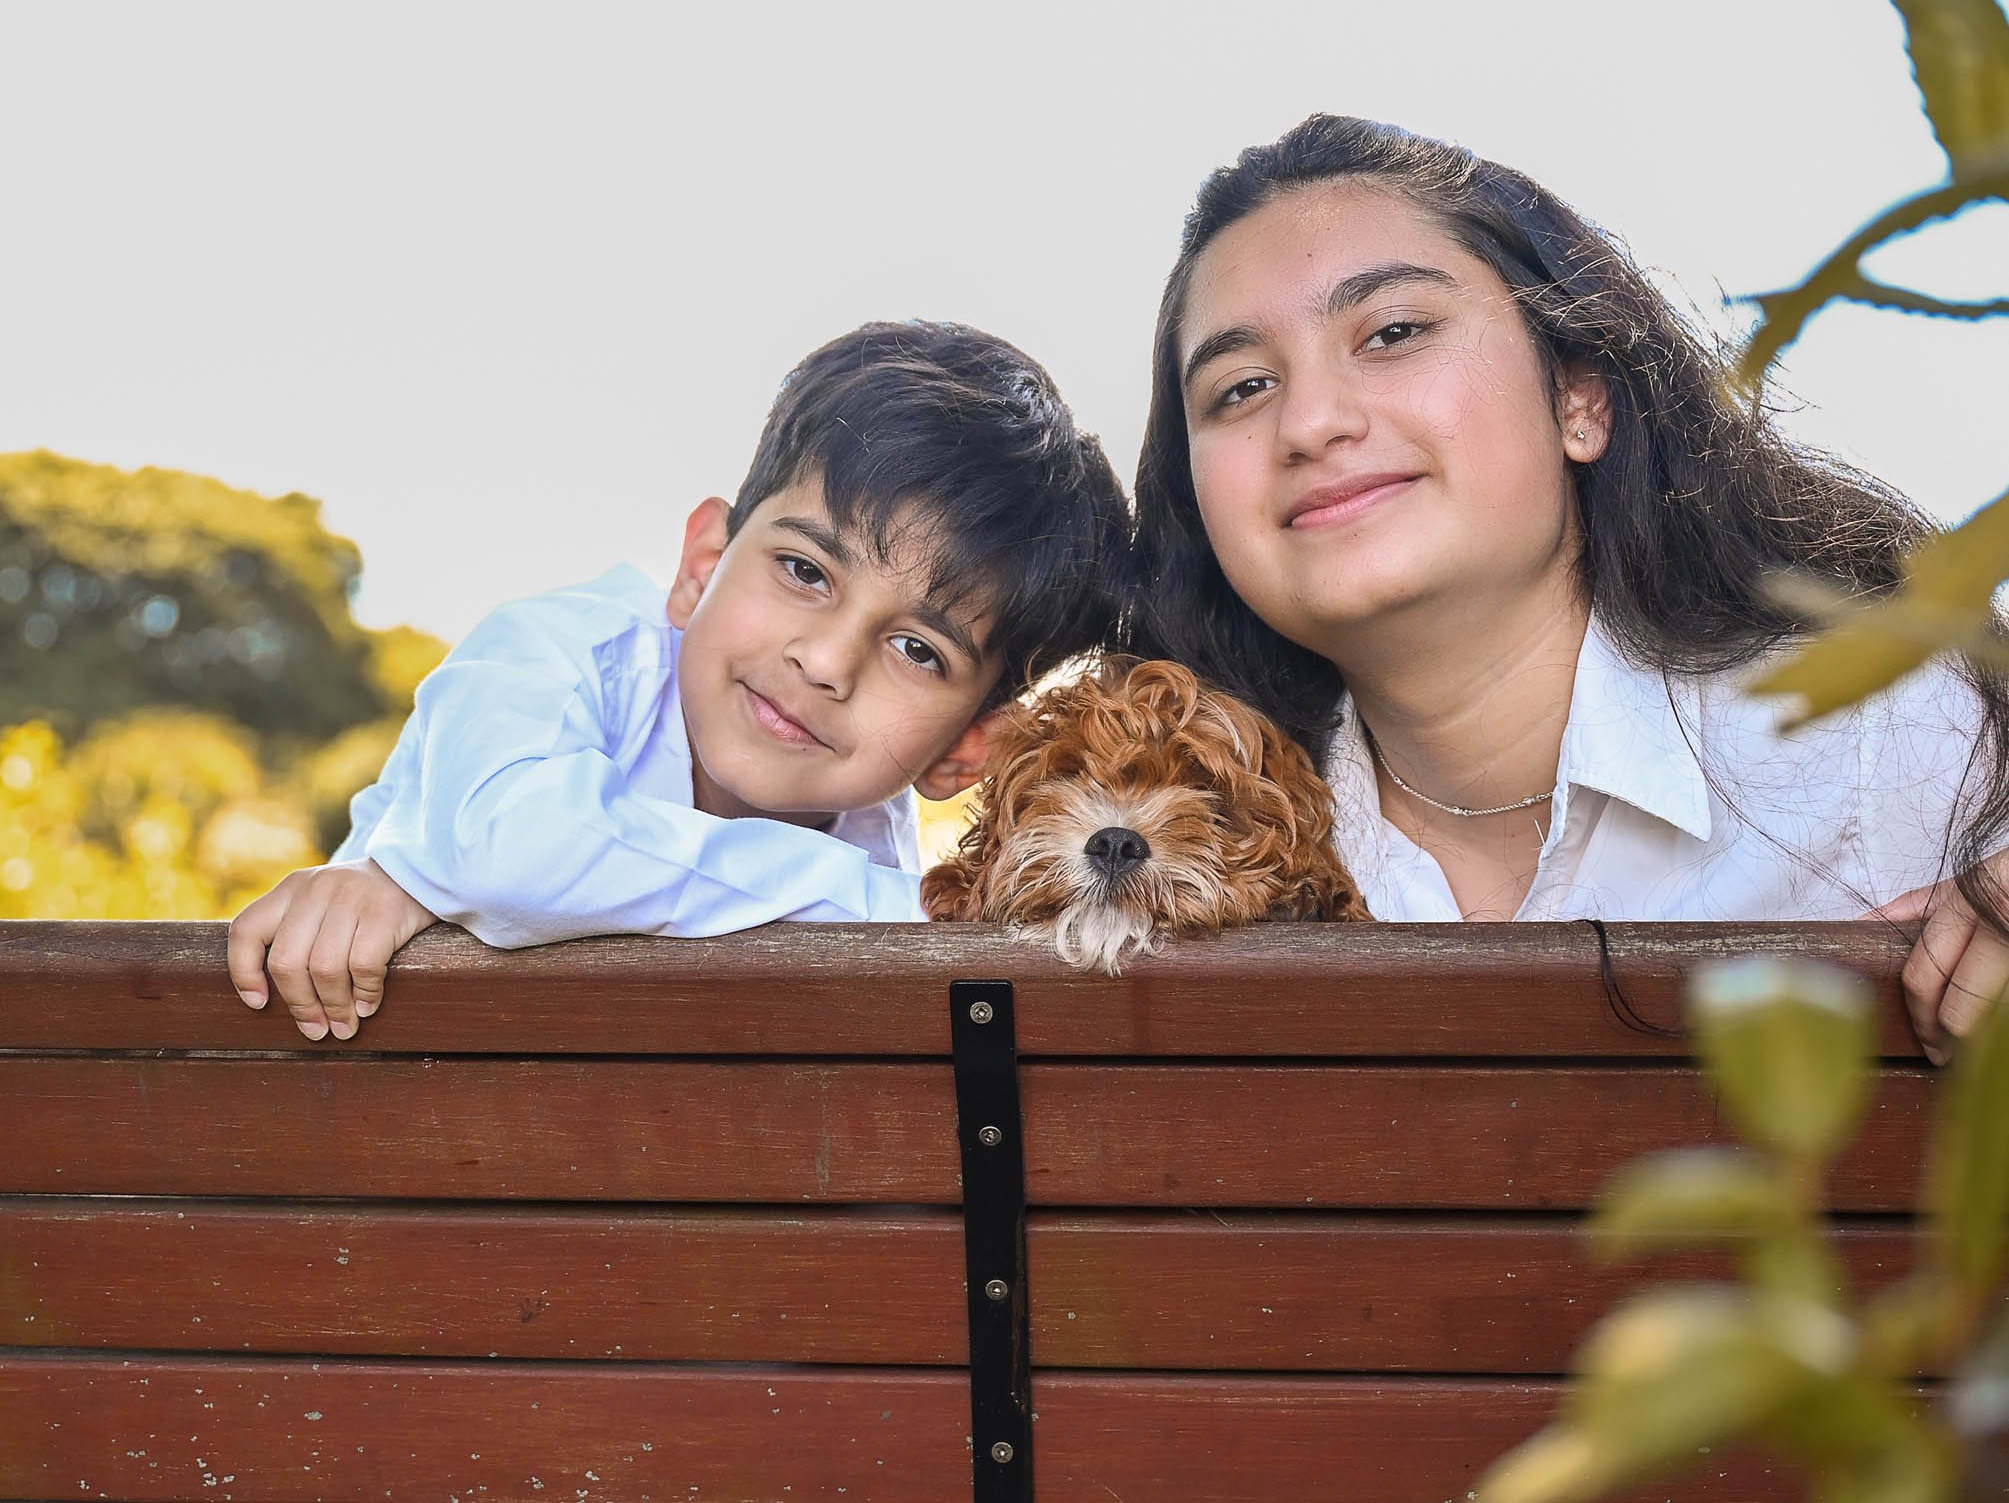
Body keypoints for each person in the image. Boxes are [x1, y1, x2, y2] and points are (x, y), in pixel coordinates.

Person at [1130, 115, 2009, 1063]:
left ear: (1578, 401)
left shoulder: (1889, 736)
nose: (1308, 420)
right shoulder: (1164, 850)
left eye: (1391, 331)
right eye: (1240, 388)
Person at [228, 321, 1129, 1040]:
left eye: (917, 651)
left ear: (969, 746)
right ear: (702, 562)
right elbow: (509, 855)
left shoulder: (864, 829)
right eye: (805, 572)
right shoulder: (554, 651)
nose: (824, 662)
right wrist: (881, 910)